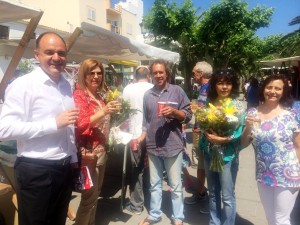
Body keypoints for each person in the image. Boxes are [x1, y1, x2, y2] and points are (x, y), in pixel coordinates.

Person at [0, 32, 79, 225]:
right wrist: (53, 123)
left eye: (61, 53)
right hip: (36, 171)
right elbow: (4, 130)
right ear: (37, 55)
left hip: (64, 167)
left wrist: (74, 158)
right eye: (49, 52)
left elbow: (68, 126)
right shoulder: (23, 85)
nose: (56, 58)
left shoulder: (66, 85)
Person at [138, 59, 192, 225]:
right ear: (151, 75)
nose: (158, 75)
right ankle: (155, 214)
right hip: (153, 146)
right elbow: (146, 122)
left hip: (172, 145)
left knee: (175, 185)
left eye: (161, 72)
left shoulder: (177, 91)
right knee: (154, 183)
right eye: (155, 73)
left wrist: (175, 112)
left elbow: (188, 116)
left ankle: (178, 217)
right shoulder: (148, 95)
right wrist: (141, 138)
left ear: (167, 73)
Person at [241, 74, 300, 225]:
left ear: (283, 91)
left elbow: (298, 145)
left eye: (277, 88)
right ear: (263, 89)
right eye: (269, 87)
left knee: (281, 219)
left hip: (288, 173)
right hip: (264, 173)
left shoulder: (292, 115)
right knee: (270, 217)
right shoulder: (252, 113)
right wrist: (247, 127)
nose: (273, 91)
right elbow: (243, 143)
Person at [73, 58, 120, 225]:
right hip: (88, 155)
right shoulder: (80, 95)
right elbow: (81, 123)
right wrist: (105, 110)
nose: (96, 76)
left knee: (95, 196)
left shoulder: (98, 97)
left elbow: (102, 121)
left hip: (101, 153)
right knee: (88, 199)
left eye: (99, 73)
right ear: (84, 75)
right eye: (91, 73)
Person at [199, 69, 246, 225]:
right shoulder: (209, 103)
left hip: (227, 156)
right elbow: (202, 124)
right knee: (213, 192)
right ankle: (214, 222)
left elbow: (239, 131)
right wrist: (205, 131)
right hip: (209, 153)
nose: (224, 87)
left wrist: (224, 138)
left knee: (227, 195)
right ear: (214, 85)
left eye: (228, 83)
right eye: (220, 83)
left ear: (233, 85)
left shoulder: (238, 105)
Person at [122, 65, 153, 214]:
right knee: (153, 169)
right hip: (152, 135)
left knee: (137, 169)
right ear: (149, 75)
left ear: (135, 76)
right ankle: (153, 203)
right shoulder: (154, 87)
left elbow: (123, 109)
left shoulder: (128, 89)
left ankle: (137, 205)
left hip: (135, 134)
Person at [185, 61, 212, 211]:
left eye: (194, 72)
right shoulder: (203, 88)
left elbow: (215, 113)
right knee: (201, 166)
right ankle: (201, 193)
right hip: (201, 133)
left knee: (208, 168)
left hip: (208, 136)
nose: (193, 75)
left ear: (201, 73)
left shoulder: (211, 88)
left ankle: (211, 200)